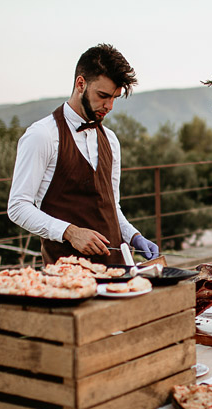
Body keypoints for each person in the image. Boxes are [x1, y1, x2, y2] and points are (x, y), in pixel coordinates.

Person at [8, 44, 159, 265]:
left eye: (115, 97)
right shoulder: (42, 136)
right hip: (67, 278)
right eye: (103, 95)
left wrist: (133, 236)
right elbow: (18, 207)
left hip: (117, 272)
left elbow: (110, 206)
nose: (109, 106)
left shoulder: (111, 140)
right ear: (81, 84)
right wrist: (70, 232)